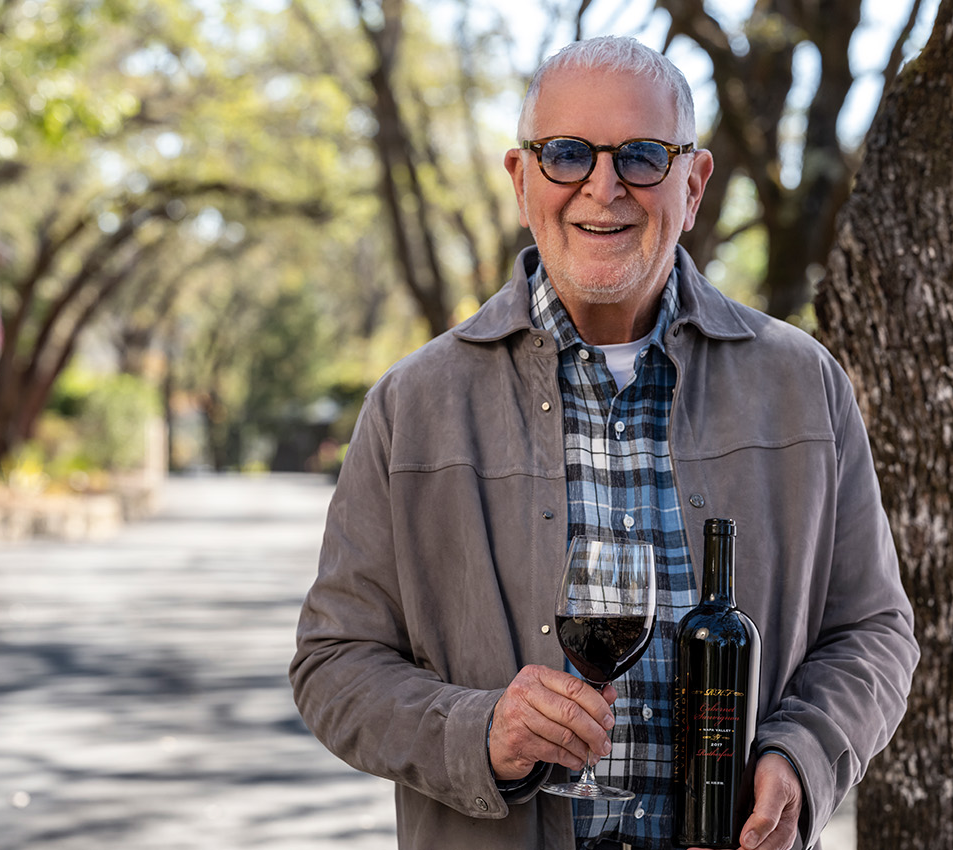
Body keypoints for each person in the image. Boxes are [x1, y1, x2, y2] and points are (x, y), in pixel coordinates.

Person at [290, 35, 918, 850]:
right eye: (566, 154)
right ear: (522, 179)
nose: (603, 186)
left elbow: (873, 631)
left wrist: (803, 756)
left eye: (642, 157)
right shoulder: (413, 405)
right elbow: (334, 663)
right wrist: (479, 732)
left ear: (693, 185)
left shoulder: (804, 385)